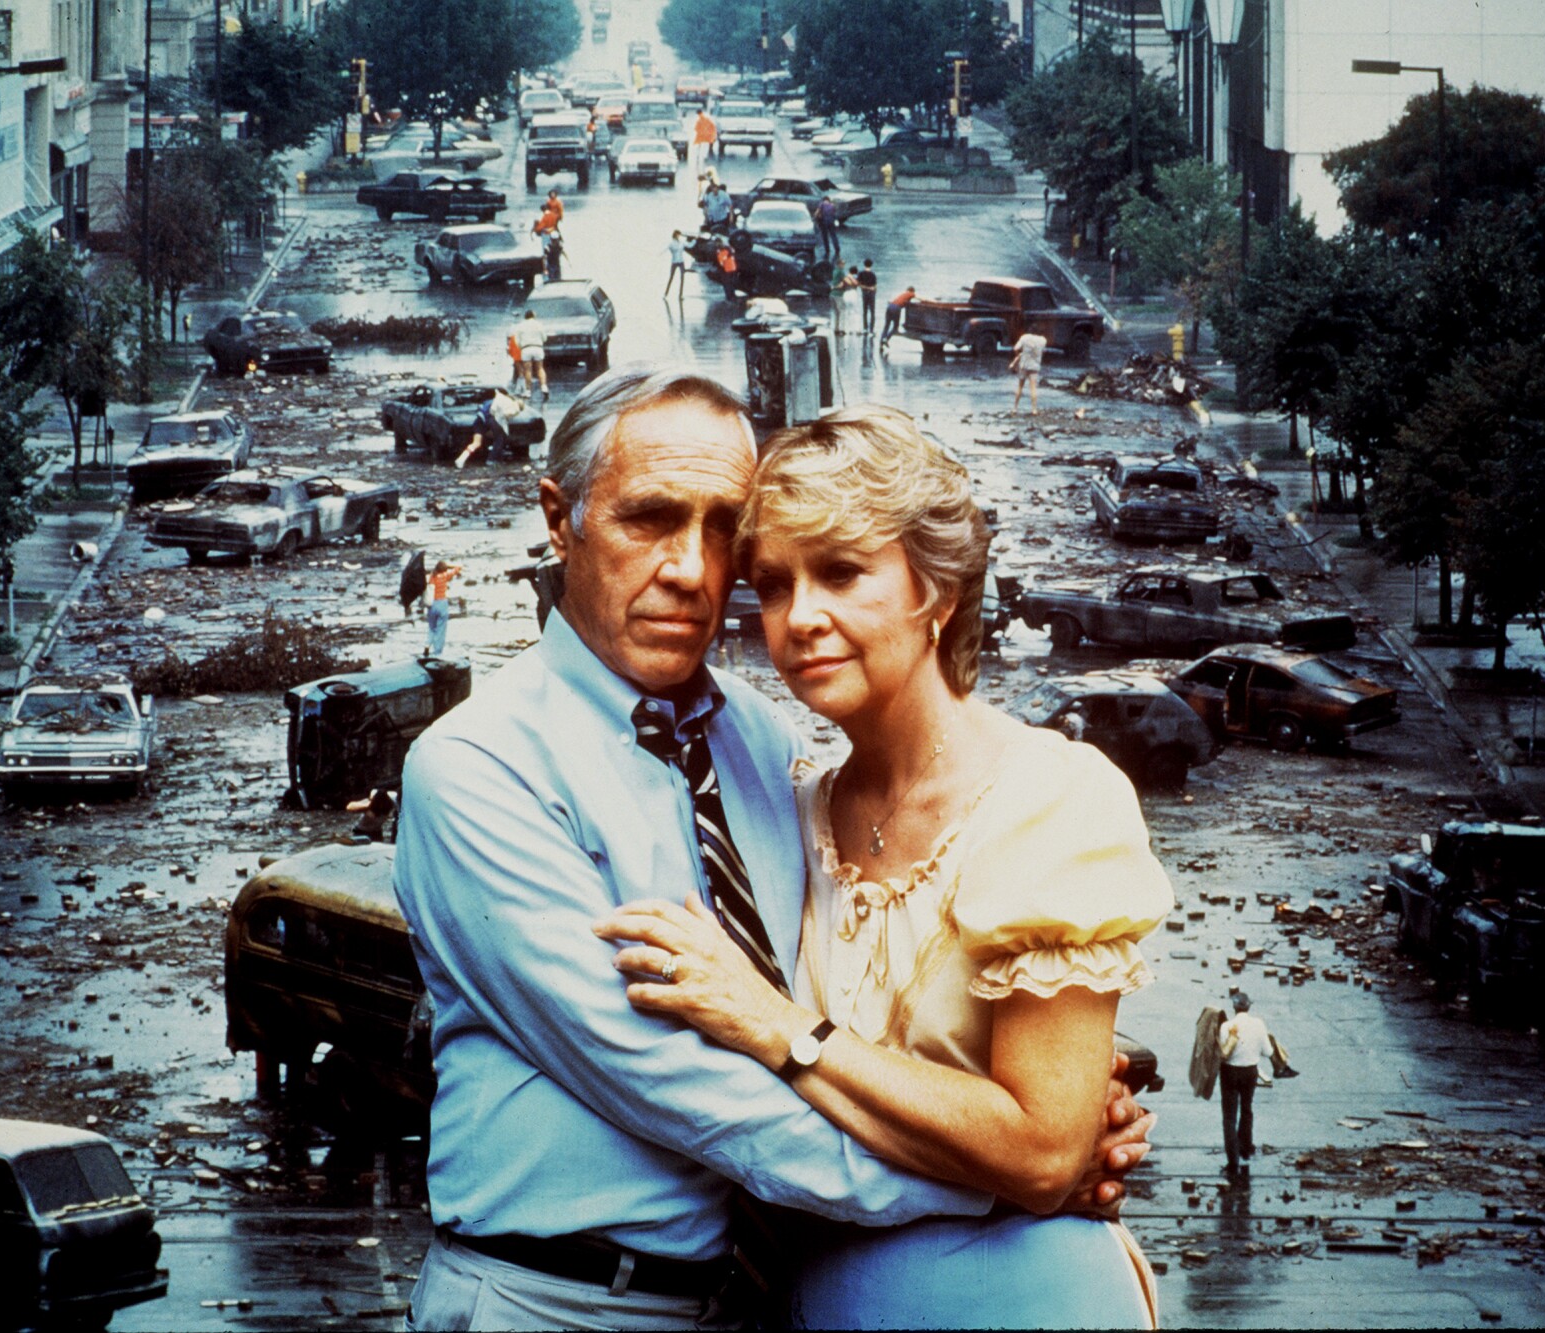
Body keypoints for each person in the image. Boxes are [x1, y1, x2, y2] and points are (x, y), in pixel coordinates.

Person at [395, 372, 1152, 1331]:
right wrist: (1007, 1170)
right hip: (551, 1299)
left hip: (755, 1298)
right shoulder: (475, 768)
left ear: (939, 591)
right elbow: (688, 1085)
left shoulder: (760, 744)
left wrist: (1063, 1093)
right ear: (560, 518)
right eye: (651, 518)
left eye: (722, 531)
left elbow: (854, 1014)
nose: (690, 569)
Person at [597, 405, 1172, 1329]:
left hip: (1021, 1298)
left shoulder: (1052, 800)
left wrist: (784, 1029)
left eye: (842, 573)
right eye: (775, 586)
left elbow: (1040, 1153)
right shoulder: (790, 806)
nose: (801, 619)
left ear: (935, 590)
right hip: (814, 1300)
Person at [1218, 991, 1271, 1174]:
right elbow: (1268, 1052)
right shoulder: (1259, 1024)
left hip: (1230, 1072)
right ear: (1249, 1006)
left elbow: (1223, 1052)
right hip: (1250, 1071)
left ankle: (1233, 1160)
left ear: (1234, 1007)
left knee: (1229, 1117)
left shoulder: (1227, 1026)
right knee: (1247, 1108)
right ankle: (1245, 1147)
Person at [453, 390, 526, 468]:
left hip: (480, 421)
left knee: (476, 443)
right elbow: (505, 415)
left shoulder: (493, 400)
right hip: (490, 421)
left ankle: (461, 459)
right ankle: (491, 460)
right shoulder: (512, 406)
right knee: (499, 439)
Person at [423, 560, 462, 658]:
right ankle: (437, 653)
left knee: (432, 627)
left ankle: (427, 645)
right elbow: (457, 569)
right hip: (442, 604)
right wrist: (452, 566)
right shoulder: (445, 576)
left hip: (432, 605)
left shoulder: (431, 577)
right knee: (441, 629)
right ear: (444, 569)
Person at [1010, 329, 1048, 414]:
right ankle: (1034, 410)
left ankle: (1015, 408)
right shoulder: (1043, 340)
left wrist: (1018, 355)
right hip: (1035, 366)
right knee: (1033, 388)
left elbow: (1015, 348)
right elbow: (1044, 351)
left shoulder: (1025, 337)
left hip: (1024, 365)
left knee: (1020, 387)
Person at [513, 309, 548, 400]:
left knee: (528, 370)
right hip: (537, 347)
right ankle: (543, 386)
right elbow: (544, 338)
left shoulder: (520, 326)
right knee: (540, 368)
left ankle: (528, 391)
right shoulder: (539, 324)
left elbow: (517, 341)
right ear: (533, 315)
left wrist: (521, 347)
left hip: (526, 348)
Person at [879, 284, 916, 353]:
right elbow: (920, 298)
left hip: (890, 306)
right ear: (912, 291)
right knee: (895, 327)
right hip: (896, 308)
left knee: (886, 326)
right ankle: (886, 339)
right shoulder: (911, 293)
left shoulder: (901, 295)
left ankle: (881, 343)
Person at [664, 229, 693, 299]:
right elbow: (666, 249)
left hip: (681, 262)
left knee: (682, 278)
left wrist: (695, 240)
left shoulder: (682, 242)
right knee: (671, 277)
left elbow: (690, 245)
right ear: (675, 235)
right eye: (678, 235)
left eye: (679, 235)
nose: (679, 236)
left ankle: (680, 295)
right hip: (674, 262)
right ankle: (666, 294)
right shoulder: (671, 243)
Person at [691, 105, 718, 181]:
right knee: (704, 148)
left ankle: (698, 157)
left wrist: (701, 131)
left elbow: (696, 128)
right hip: (706, 137)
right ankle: (703, 157)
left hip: (701, 136)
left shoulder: (699, 120)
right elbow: (712, 126)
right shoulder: (707, 119)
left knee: (699, 148)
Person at [855, 258, 878, 336]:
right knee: (872, 312)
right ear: (871, 265)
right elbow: (875, 286)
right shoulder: (873, 274)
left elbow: (858, 284)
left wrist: (864, 287)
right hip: (872, 294)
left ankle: (865, 328)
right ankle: (871, 330)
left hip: (864, 293)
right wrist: (872, 290)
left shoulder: (861, 274)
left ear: (864, 264)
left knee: (865, 311)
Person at [813, 195, 839, 262]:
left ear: (823, 200)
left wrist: (815, 218)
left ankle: (827, 250)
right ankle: (837, 248)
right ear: (828, 200)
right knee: (833, 235)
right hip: (831, 222)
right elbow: (835, 213)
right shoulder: (832, 205)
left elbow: (816, 213)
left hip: (824, 222)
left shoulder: (821, 204)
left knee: (825, 236)